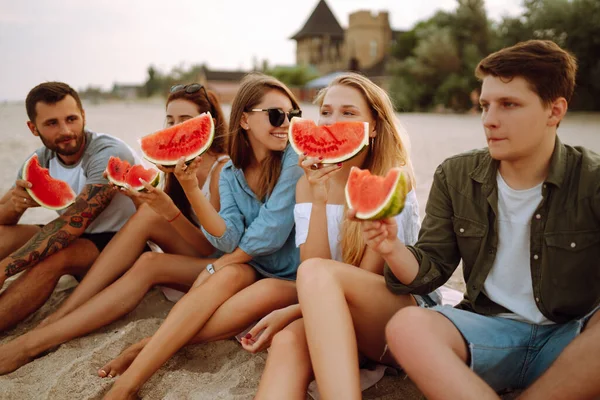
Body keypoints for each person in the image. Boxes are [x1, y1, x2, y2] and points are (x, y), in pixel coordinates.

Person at [377, 40, 600, 400]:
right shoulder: (456, 175)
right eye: (484, 105)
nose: (489, 119)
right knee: (406, 326)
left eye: (509, 104)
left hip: (568, 340)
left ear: (555, 110)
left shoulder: (592, 179)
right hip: (487, 332)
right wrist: (389, 248)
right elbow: (430, 271)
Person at [0, 84, 235, 374]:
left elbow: (217, 247)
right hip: (172, 252)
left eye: (186, 121)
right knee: (146, 225)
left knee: (141, 248)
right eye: (170, 120)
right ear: (33, 128)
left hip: (216, 264)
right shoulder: (173, 166)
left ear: (208, 121)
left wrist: (166, 211)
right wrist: (16, 204)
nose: (175, 128)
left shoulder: (222, 171)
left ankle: (46, 332)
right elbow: (152, 225)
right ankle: (53, 324)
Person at [96, 73, 304, 399]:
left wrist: (219, 265)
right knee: (223, 278)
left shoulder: (294, 160)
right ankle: (127, 385)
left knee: (220, 286)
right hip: (253, 268)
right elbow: (227, 238)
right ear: (245, 120)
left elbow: (271, 233)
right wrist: (191, 188)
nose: (287, 124)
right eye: (277, 115)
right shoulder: (232, 173)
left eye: (294, 116)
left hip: (292, 278)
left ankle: (142, 350)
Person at [242, 72, 438, 399]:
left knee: (306, 294)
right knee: (288, 340)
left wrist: (292, 310)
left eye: (348, 113)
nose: (333, 121)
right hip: (330, 310)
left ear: (373, 126)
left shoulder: (390, 181)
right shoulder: (308, 182)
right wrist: (318, 198)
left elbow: (365, 278)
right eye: (326, 112)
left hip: (396, 317)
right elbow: (311, 266)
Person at [0, 82, 136, 332]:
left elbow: (74, 222)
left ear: (83, 116)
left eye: (71, 119)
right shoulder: (41, 159)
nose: (66, 130)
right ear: (33, 128)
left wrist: (6, 268)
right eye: (51, 123)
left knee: (53, 258)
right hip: (71, 236)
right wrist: (17, 205)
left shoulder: (107, 153)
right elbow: (3, 216)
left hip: (119, 241)